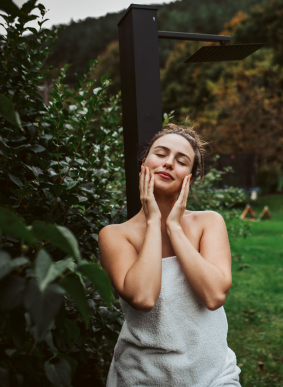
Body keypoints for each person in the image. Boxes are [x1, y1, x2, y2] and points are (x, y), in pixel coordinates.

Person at [99, 124, 241, 386]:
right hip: (140, 377)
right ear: (144, 163)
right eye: (161, 154)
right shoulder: (115, 236)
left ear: (191, 177)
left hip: (213, 376)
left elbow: (213, 296)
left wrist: (174, 227)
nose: (168, 164)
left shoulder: (209, 223)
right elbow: (143, 297)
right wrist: (154, 221)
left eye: (181, 160)